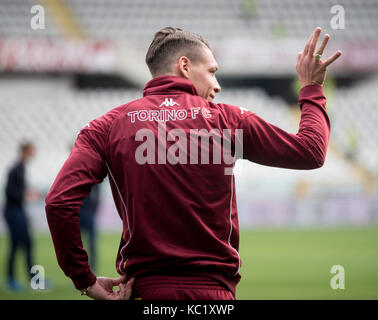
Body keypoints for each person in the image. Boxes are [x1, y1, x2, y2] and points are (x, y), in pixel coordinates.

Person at [45, 26, 341, 300]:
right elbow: (312, 151)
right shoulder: (228, 121)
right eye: (212, 71)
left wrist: (84, 278)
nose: (217, 85)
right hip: (214, 295)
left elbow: (59, 202)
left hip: (144, 293)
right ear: (185, 66)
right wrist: (312, 88)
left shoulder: (106, 126)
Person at [3, 142, 37, 291]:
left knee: (25, 244)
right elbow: (10, 193)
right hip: (13, 213)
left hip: (17, 212)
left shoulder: (21, 169)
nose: (34, 153)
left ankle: (32, 278)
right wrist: (26, 195)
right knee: (17, 246)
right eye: (31, 150)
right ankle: (12, 280)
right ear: (24, 151)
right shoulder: (15, 170)